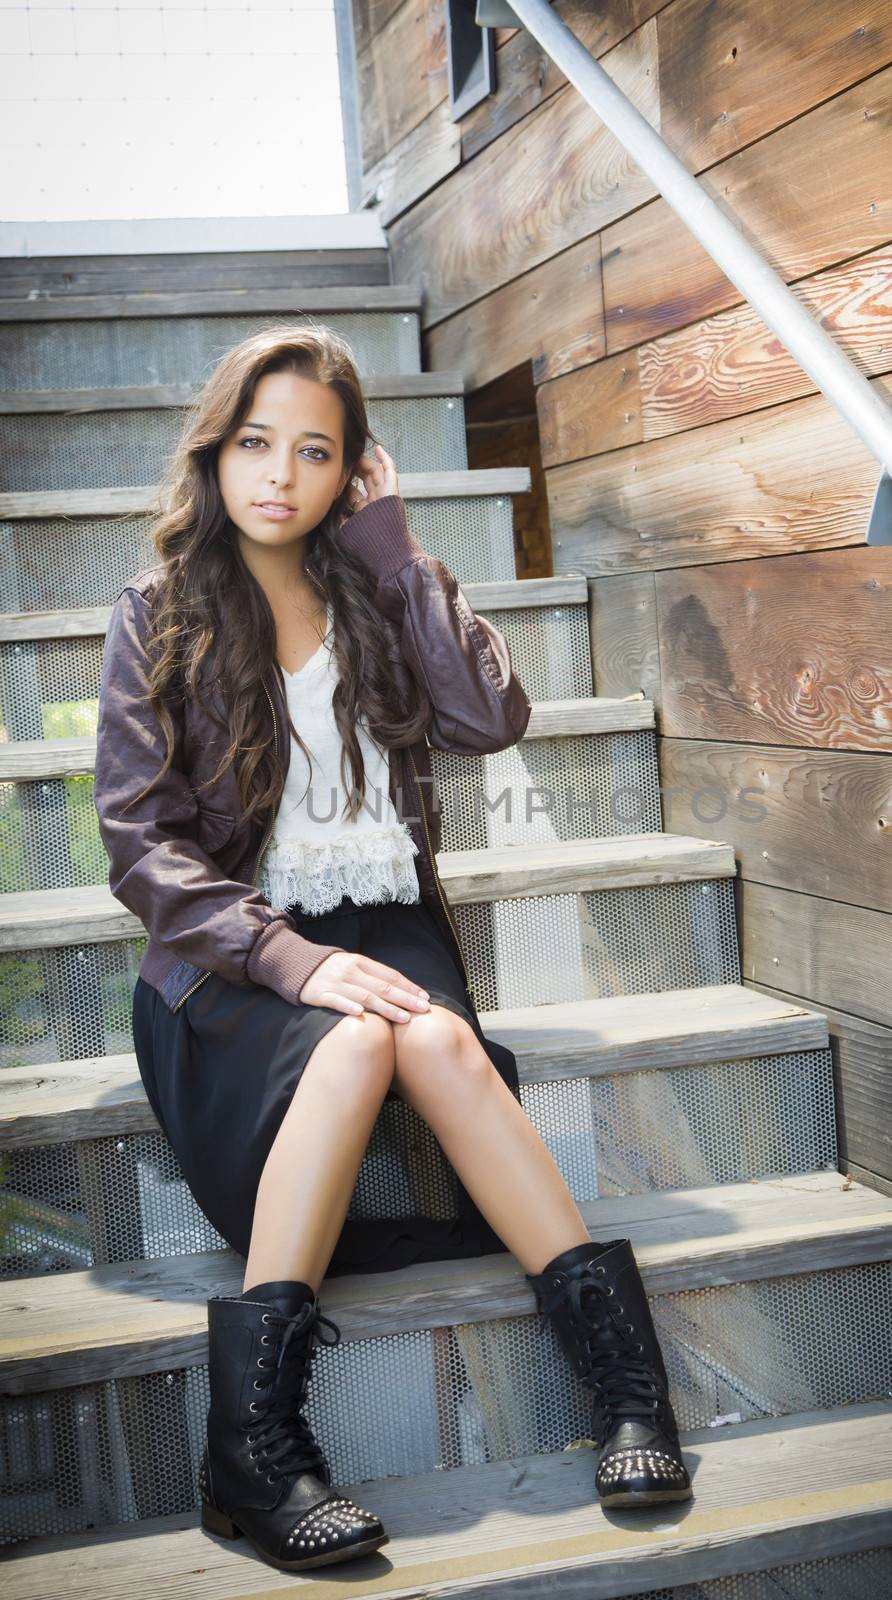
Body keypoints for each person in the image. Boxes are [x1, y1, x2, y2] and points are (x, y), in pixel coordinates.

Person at [92, 323, 692, 1574]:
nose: (280, 474)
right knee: (364, 1039)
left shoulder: (379, 585)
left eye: (315, 452)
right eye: (256, 442)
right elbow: (143, 848)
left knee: (447, 1050)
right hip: (228, 963)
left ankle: (624, 1387)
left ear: (351, 471)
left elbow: (489, 714)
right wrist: (290, 960)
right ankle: (256, 1449)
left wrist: (398, 548)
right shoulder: (156, 615)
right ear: (216, 451)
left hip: (387, 927)